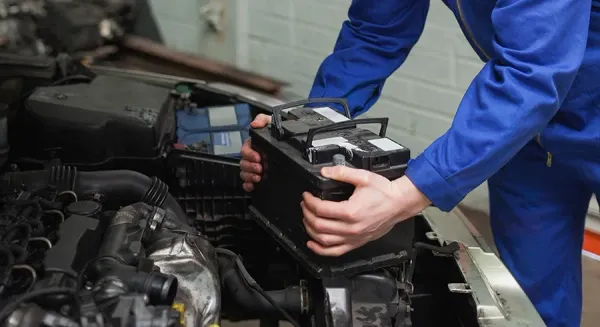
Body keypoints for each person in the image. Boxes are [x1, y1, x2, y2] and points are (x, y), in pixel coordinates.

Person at [240, 0, 598, 326]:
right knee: (531, 305)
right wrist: (306, 125)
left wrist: (409, 192)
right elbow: (376, 32)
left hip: (555, 104)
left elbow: (533, 70)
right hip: (526, 133)